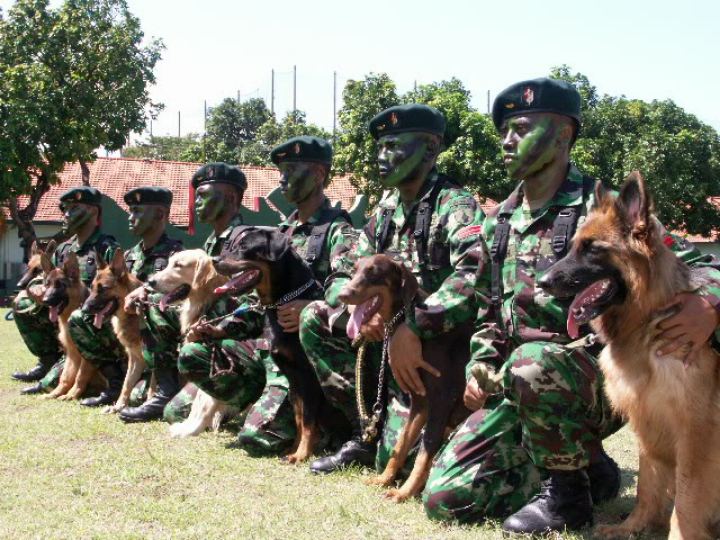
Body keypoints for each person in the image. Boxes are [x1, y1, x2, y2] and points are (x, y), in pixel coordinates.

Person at [422, 77, 720, 534]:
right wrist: (481, 364)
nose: (507, 141)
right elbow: (486, 308)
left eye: (521, 128)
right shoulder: (499, 219)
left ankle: (566, 497)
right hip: (523, 384)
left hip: (577, 378)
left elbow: (682, 262)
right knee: (447, 499)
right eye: (504, 130)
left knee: (531, 363)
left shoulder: (602, 208)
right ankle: (589, 468)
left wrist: (710, 304)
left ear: (562, 134)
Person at [301, 104, 484, 474]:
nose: (382, 158)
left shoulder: (455, 205)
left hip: (438, 351)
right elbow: (344, 271)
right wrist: (356, 310)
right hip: (386, 340)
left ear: (430, 150)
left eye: (394, 146)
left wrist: (414, 326)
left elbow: (474, 274)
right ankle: (363, 430)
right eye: (380, 148)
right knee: (315, 318)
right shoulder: (385, 212)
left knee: (401, 465)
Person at [176, 136, 358, 452]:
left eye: (291, 170)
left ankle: (322, 424)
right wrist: (221, 328)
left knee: (256, 440)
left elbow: (348, 290)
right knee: (190, 367)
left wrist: (313, 307)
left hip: (307, 360)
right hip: (268, 348)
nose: (283, 179)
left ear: (318, 174)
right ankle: (261, 399)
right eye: (280, 172)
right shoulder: (279, 233)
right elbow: (256, 302)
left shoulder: (338, 231)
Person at [121, 163, 251, 423]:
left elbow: (250, 305)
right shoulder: (214, 241)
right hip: (206, 338)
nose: (196, 203)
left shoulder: (247, 242)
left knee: (175, 413)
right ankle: (166, 386)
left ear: (230, 197)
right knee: (151, 302)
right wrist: (145, 291)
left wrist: (217, 327)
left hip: (234, 346)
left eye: (203, 195)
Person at [66, 186, 184, 413]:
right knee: (79, 318)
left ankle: (156, 387)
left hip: (159, 348)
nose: (130, 217)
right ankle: (114, 381)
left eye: (137, 211)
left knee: (140, 395)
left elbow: (175, 303)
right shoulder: (127, 256)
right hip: (129, 339)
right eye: (130, 211)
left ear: (159, 214)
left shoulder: (175, 256)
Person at [14, 187, 120, 395]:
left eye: (74, 208)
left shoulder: (106, 247)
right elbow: (48, 278)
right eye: (65, 209)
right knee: (23, 303)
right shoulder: (63, 249)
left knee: (51, 385)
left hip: (93, 325)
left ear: (93, 212)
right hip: (66, 322)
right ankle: (49, 360)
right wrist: (36, 288)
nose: (67, 214)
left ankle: (105, 369)